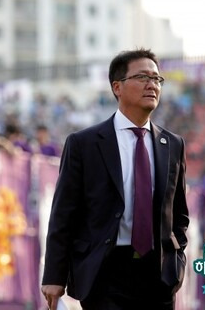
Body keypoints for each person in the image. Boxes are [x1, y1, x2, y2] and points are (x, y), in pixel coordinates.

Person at [41, 49, 189, 310]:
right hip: (104, 272)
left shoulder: (173, 145)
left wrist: (176, 261)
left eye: (157, 79)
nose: (152, 85)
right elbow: (63, 214)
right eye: (143, 77)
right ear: (117, 87)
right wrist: (54, 276)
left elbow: (179, 215)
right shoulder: (84, 144)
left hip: (158, 275)